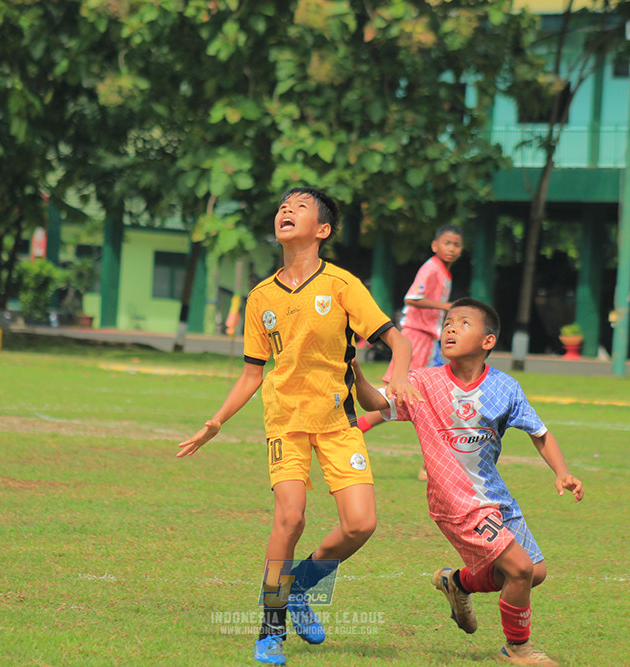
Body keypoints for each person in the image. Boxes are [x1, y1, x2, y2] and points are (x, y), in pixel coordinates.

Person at [176, 186, 420, 665]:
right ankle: (270, 629)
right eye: (283, 206)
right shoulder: (260, 297)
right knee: (290, 517)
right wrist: (216, 421)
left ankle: (302, 587)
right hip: (285, 422)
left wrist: (401, 379)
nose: (286, 210)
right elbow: (252, 374)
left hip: (337, 422)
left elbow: (400, 341)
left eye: (300, 206)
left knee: (361, 524)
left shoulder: (343, 285)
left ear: (322, 230)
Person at [353, 297, 584, 667]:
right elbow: (372, 403)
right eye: (447, 322)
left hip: (495, 495)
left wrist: (562, 472)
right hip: (455, 499)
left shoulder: (506, 388)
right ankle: (517, 647)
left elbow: (540, 433)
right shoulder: (423, 381)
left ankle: (458, 583)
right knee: (520, 569)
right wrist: (355, 372)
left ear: (487, 341)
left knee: (533, 573)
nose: (450, 328)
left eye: (463, 323)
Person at [370, 224, 463, 481]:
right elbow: (412, 298)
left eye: (456, 245)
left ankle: (429, 466)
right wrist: (446, 306)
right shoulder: (432, 268)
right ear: (435, 246)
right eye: (447, 243)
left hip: (429, 339)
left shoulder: (444, 272)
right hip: (417, 337)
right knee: (401, 398)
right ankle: (349, 429)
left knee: (426, 399)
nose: (452, 248)